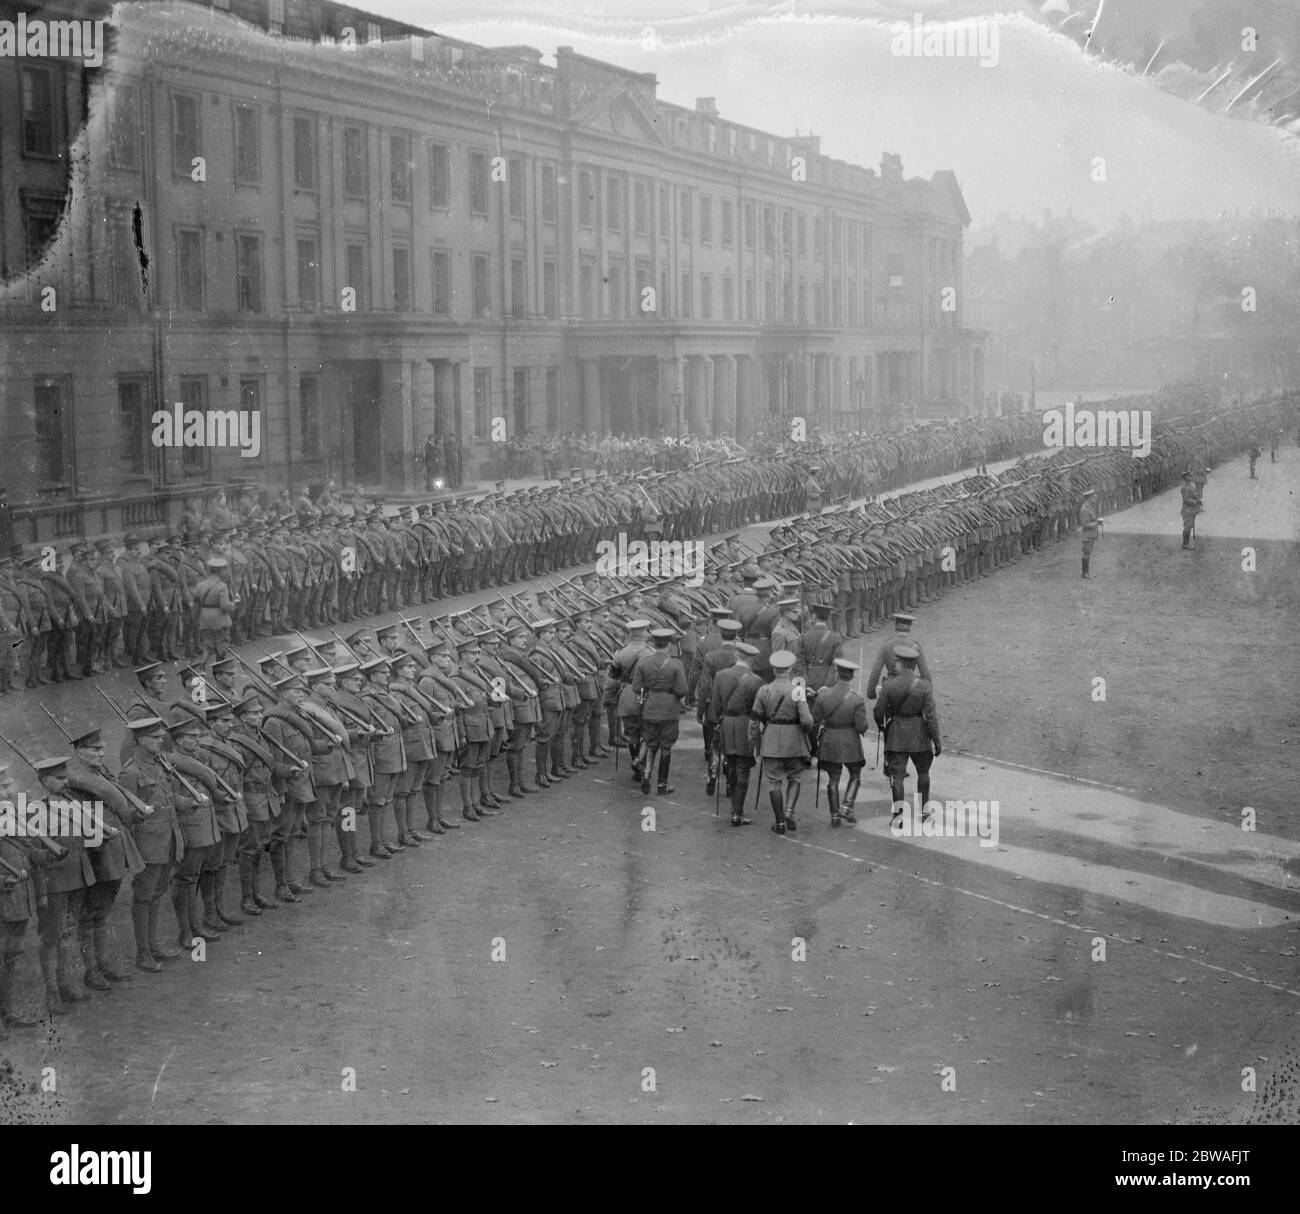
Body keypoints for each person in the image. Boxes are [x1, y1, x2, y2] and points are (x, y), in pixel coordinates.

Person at [872, 645, 941, 820]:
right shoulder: (924, 686)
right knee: (923, 772)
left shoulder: (889, 685)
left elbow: (878, 712)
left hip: (897, 735)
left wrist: (882, 725)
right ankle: (924, 810)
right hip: (919, 735)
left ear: (901, 663)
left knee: (898, 777)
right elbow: (931, 716)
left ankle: (898, 816)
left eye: (897, 661)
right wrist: (936, 740)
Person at [749, 649, 813, 835]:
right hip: (794, 741)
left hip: (770, 741)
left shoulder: (764, 690)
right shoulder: (797, 691)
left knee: (774, 783)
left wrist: (753, 740)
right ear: (790, 669)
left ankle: (779, 822)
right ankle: (789, 811)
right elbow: (807, 720)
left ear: (774, 669)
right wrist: (804, 732)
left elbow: (754, 719)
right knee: (795, 777)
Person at [709, 641, 762, 826]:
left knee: (730, 763)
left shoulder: (720, 675)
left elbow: (714, 707)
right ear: (752, 660)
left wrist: (717, 723)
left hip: (726, 724)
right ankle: (737, 813)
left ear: (736, 656)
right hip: (745, 725)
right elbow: (759, 710)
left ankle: (734, 808)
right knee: (743, 769)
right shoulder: (755, 680)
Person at [811, 658, 868, 827]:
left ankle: (835, 815)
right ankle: (846, 806)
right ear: (851, 676)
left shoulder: (823, 696)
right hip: (850, 741)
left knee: (833, 779)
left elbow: (815, 720)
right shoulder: (857, 700)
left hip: (829, 740)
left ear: (837, 673)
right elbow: (862, 727)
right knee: (855, 775)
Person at [631, 627, 688, 796]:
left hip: (649, 708)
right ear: (669, 645)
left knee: (650, 742)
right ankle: (662, 784)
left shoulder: (644, 663)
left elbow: (636, 687)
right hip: (669, 710)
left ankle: (647, 775)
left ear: (654, 644)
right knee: (666, 746)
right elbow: (682, 689)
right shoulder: (676, 665)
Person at [866, 613, 931, 699]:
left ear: (895, 625)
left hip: (889, 687)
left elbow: (876, 671)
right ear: (910, 627)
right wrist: (928, 695)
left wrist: (871, 691)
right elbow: (925, 673)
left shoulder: (886, 645)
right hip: (910, 687)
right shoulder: (916, 646)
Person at [1078, 487, 1102, 579]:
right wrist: (1097, 523)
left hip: (1091, 534)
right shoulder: (1085, 509)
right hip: (1087, 535)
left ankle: (1086, 572)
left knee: (1088, 552)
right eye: (1093, 497)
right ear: (1089, 498)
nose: (1095, 498)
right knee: (1086, 553)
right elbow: (1085, 525)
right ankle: (1085, 573)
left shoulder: (1090, 506)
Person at [1179, 471, 1202, 551]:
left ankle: (1187, 543)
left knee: (1190, 526)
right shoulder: (1185, 487)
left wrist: (1198, 499)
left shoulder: (1190, 485)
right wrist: (1196, 502)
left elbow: (1194, 494)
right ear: (1185, 477)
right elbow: (1186, 499)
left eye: (1191, 476)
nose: (1191, 477)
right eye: (1189, 476)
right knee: (1187, 527)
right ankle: (1185, 544)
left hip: (1192, 510)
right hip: (1187, 510)